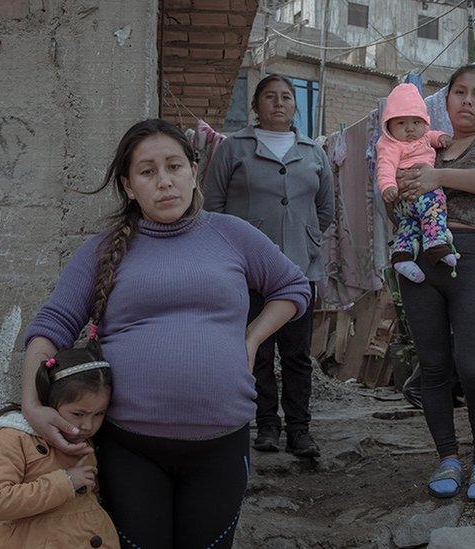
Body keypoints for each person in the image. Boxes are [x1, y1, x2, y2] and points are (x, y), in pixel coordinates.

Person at [20, 119, 311, 548]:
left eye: (175, 167)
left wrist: (249, 340)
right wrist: (31, 404)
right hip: (130, 446)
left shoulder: (232, 234)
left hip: (221, 442)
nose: (165, 182)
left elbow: (294, 287)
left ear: (194, 173)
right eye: (147, 171)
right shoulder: (102, 250)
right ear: (128, 186)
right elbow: (50, 326)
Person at [395, 65, 475, 502]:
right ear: (445, 101)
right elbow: (396, 197)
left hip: (474, 260)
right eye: (459, 93)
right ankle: (448, 458)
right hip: (419, 264)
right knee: (433, 366)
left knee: (472, 365)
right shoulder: (423, 147)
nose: (467, 101)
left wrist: (438, 178)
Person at [202, 74, 335, 458]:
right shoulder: (233, 149)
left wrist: (306, 238)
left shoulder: (313, 152)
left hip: (298, 269)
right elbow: (214, 205)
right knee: (255, 348)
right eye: (270, 97)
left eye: (286, 97)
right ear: (256, 107)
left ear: (295, 106)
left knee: (297, 354)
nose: (278, 103)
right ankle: (267, 426)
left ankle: (300, 429)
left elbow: (325, 208)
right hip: (246, 271)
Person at [0, 345, 117, 548]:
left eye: (99, 414)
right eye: (78, 414)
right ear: (50, 402)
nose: (88, 426)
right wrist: (67, 481)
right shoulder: (13, 437)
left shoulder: (86, 441)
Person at [376, 82, 457, 283]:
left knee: (408, 225)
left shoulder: (424, 137)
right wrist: (388, 186)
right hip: (419, 194)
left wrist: (442, 138)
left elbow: (433, 136)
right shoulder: (391, 145)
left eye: (415, 122)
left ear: (424, 122)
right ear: (389, 126)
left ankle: (401, 257)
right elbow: (385, 166)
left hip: (406, 206)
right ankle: (435, 243)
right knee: (436, 203)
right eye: (401, 124)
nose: (410, 129)